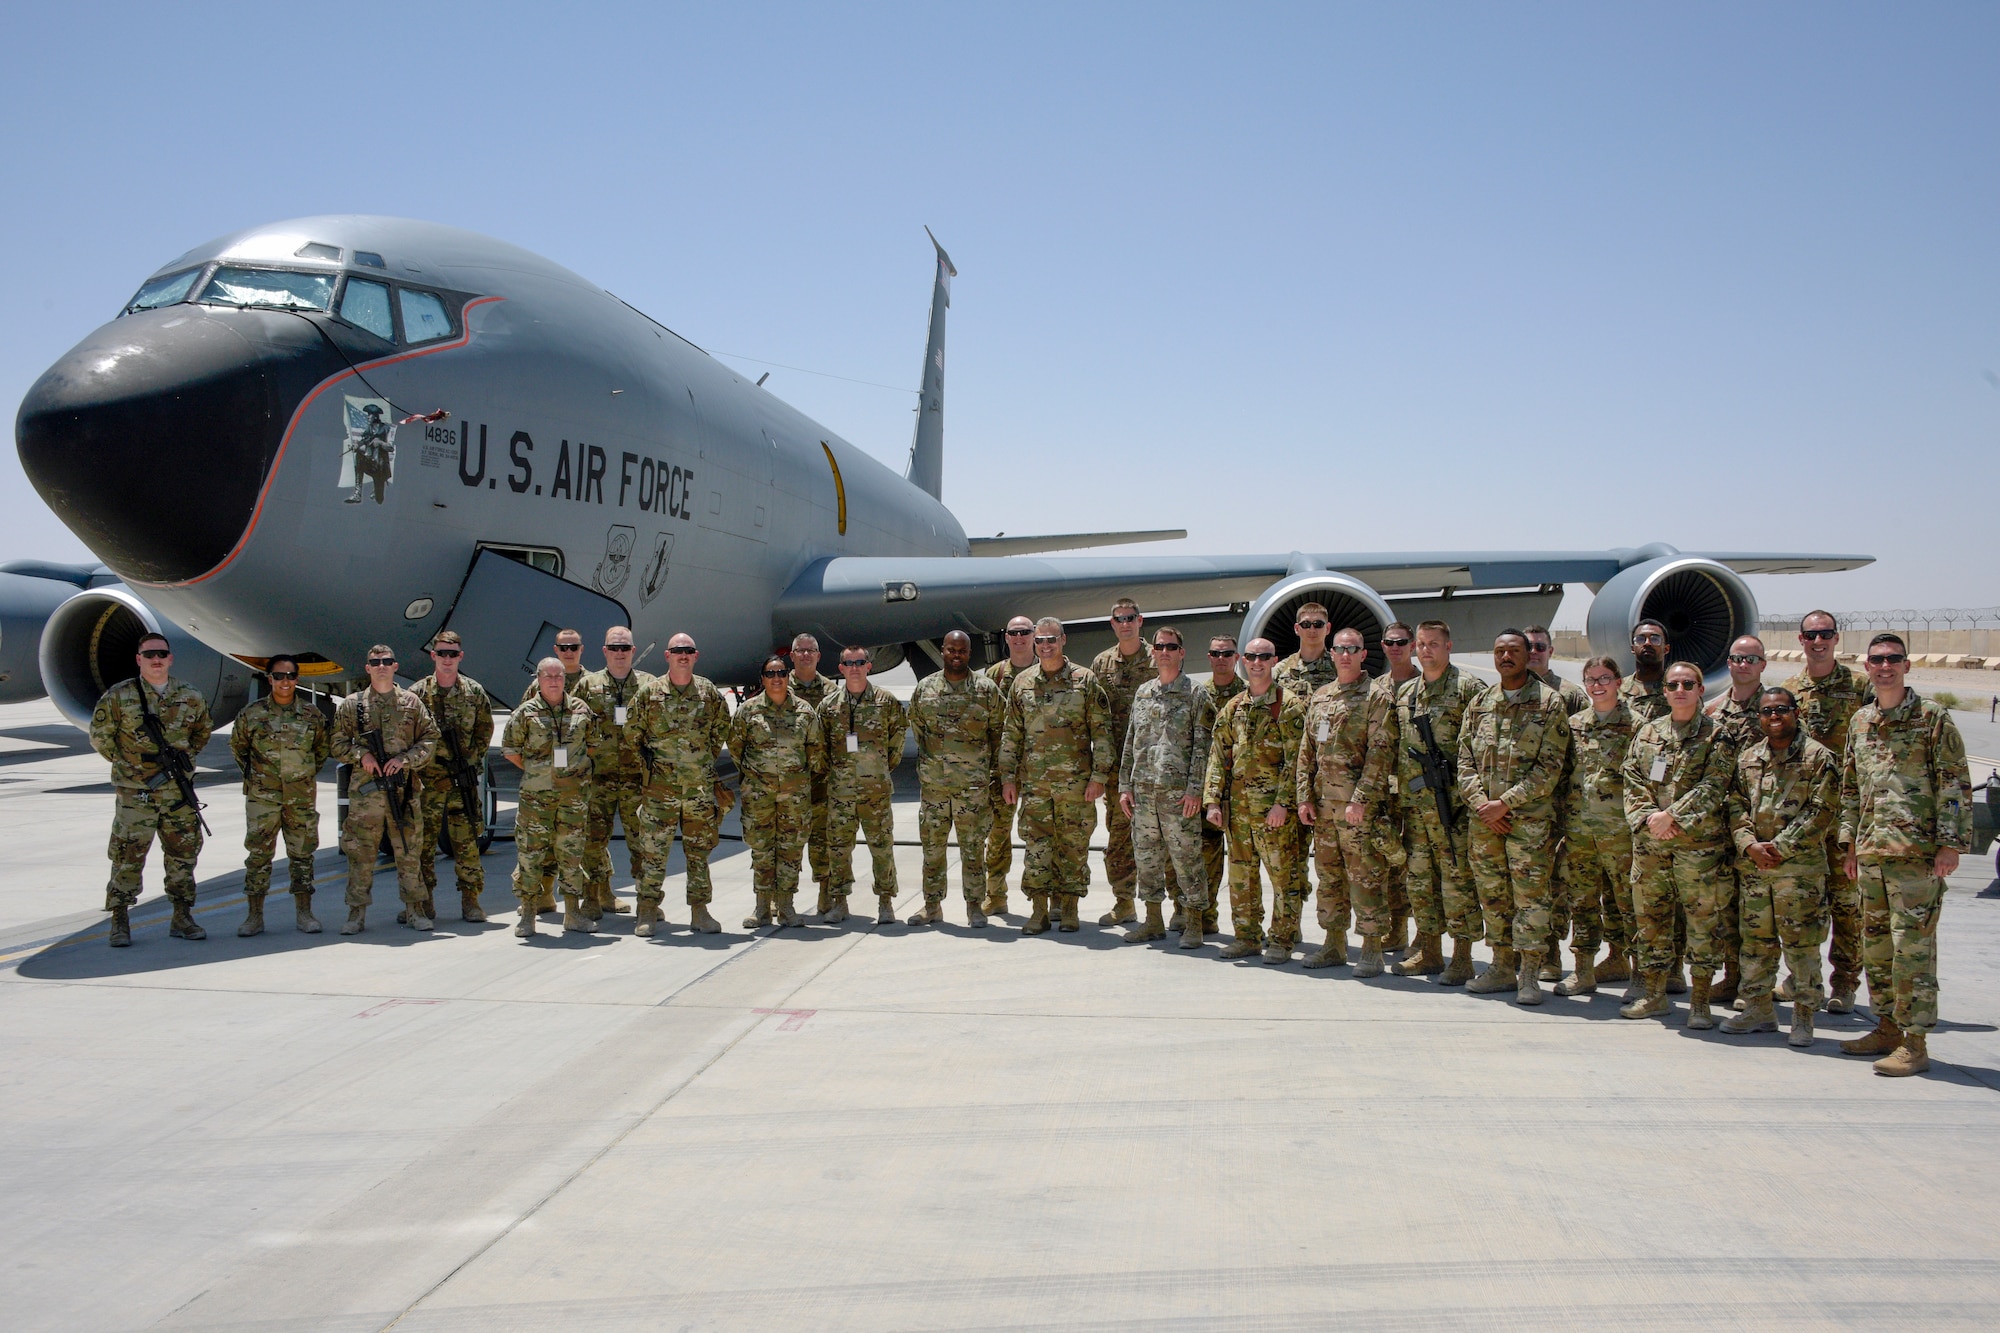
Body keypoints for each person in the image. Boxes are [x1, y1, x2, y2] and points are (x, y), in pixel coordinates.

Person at [1837, 633, 1971, 1077]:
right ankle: (1888, 1027)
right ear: (1868, 667)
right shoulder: (1860, 722)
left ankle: (1916, 1042)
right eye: (1877, 660)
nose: (1885, 666)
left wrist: (1950, 843)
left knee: (1912, 950)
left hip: (1917, 856)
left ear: (1906, 666)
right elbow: (1851, 788)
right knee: (1875, 948)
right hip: (1872, 854)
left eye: (1893, 659)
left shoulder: (1933, 718)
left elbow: (1954, 784)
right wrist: (1849, 843)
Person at [1457, 629, 1573, 1004]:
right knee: (1492, 895)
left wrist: (1504, 803)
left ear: (1528, 655)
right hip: (1485, 822)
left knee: (1531, 898)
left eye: (1514, 651)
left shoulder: (1550, 703)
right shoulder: (1479, 703)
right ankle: (1501, 966)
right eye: (1499, 651)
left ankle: (1529, 974)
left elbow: (1550, 768)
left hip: (1529, 822)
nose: (1506, 657)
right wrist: (1482, 805)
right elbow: (1464, 762)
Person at [1721, 686, 1838, 1047]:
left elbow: (1823, 810)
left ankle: (1804, 1016)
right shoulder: (1748, 758)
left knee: (1801, 945)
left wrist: (1781, 847)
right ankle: (1758, 1009)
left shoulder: (1819, 758)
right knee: (1756, 943)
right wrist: (1749, 844)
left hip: (1799, 872)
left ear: (1796, 712)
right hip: (1756, 869)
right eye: (1767, 711)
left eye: (1781, 710)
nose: (1774, 716)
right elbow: (1735, 805)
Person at [1619, 661, 1735, 1026]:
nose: (1680, 690)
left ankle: (1700, 1000)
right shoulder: (1649, 733)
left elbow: (1714, 786)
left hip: (1698, 848)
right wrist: (1649, 818)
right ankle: (1654, 994)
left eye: (1689, 683)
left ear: (1701, 690)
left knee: (1702, 923)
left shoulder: (1719, 735)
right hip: (1652, 846)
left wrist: (1673, 817)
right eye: (1673, 684)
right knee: (1651, 921)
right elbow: (1632, 777)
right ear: (1665, 691)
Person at [88, 632, 215, 946]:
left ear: (170, 658)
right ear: (139, 659)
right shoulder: (120, 696)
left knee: (183, 856)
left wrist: (184, 761)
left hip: (177, 793)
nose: (156, 659)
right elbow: (100, 737)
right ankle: (119, 920)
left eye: (161, 653)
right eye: (149, 654)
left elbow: (201, 733)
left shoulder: (191, 695)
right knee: (127, 855)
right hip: (136, 794)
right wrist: (129, 767)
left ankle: (182, 917)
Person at [1781, 610, 1873, 1013]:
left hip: (1844, 816)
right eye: (1811, 635)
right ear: (1801, 640)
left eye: (1826, 634)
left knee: (1847, 904)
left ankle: (1845, 982)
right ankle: (1802, 979)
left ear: (1836, 639)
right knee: (1802, 903)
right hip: (1802, 817)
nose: (1818, 641)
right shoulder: (1789, 690)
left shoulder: (1860, 687)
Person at [999, 618, 1114, 934]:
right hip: (1035, 785)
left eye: (1051, 639)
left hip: (1075, 785)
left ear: (1063, 640)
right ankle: (1038, 911)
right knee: (1037, 847)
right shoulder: (1022, 683)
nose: (1045, 645)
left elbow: (1102, 733)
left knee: (1073, 846)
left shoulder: (1084, 680)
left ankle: (1070, 908)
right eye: (1040, 640)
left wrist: (1099, 777)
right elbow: (1011, 734)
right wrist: (1008, 778)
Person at [1203, 638, 1309, 963]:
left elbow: (1297, 761)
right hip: (1239, 812)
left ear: (1273, 660)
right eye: (1251, 657)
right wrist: (1212, 801)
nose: (1257, 662)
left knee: (1283, 879)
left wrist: (1283, 804)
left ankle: (1281, 940)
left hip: (1273, 813)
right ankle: (1247, 937)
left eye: (1264, 656)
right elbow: (1218, 754)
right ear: (1243, 662)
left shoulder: (1288, 706)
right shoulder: (1234, 707)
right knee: (1241, 878)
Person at [1296, 627, 1396, 974]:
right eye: (1339, 649)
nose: (1345, 655)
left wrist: (1361, 799)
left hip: (1358, 810)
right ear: (1332, 653)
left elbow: (1380, 753)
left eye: (1352, 649)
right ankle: (1334, 944)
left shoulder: (1376, 696)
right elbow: (1307, 751)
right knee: (1329, 878)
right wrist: (1303, 798)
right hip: (1324, 808)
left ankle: (1371, 949)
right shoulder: (1322, 696)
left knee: (1366, 877)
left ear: (1363, 654)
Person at [1390, 620, 1483, 982]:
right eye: (1422, 644)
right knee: (1420, 881)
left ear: (1449, 646)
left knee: (1457, 881)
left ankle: (1462, 956)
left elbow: (1479, 746)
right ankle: (1429, 952)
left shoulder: (1468, 689)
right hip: (1415, 807)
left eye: (1434, 644)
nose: (1426, 650)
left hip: (1454, 806)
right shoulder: (1408, 693)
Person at [331, 645, 440, 934]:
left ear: (395, 666)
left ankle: (414, 909)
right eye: (375, 662)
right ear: (367, 668)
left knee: (408, 852)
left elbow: (430, 740)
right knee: (361, 854)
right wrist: (361, 756)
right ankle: (356, 914)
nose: (382, 666)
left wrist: (404, 760)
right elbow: (337, 743)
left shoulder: (411, 702)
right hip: (366, 793)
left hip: (403, 790)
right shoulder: (352, 705)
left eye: (387, 661)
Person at [630, 634, 732, 936]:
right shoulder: (649, 693)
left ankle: (699, 911)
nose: (683, 655)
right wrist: (653, 767)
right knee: (653, 852)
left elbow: (720, 729)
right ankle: (647, 910)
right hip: (659, 789)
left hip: (697, 788)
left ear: (696, 656)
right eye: (677, 651)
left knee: (699, 852)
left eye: (688, 651)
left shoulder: (708, 693)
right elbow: (633, 734)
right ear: (667, 655)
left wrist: (699, 761)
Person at [1116, 627, 1210, 948]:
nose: (1165, 652)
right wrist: (1124, 786)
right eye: (1160, 646)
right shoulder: (1143, 693)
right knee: (1147, 858)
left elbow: (1202, 747)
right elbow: (1131, 743)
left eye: (1172, 647)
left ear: (1182, 653)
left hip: (1179, 795)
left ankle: (1194, 921)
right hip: (1144, 795)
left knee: (1187, 859)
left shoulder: (1196, 695)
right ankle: (1153, 920)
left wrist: (1195, 789)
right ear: (1153, 652)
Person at [229, 654, 332, 936]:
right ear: (269, 678)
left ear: (297, 679)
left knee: (302, 855)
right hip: (263, 799)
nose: (284, 682)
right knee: (258, 856)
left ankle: (304, 913)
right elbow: (239, 749)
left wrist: (301, 776)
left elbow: (321, 752)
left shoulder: (312, 716)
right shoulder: (252, 714)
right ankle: (254, 916)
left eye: (290, 676)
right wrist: (261, 779)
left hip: (300, 798)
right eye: (278, 676)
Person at [908, 630, 1003, 928]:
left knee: (973, 850)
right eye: (951, 650)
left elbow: (1000, 733)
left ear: (969, 652)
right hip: (935, 789)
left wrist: (993, 775)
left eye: (962, 650)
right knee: (932, 850)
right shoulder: (925, 689)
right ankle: (932, 906)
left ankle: (974, 906)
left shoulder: (986, 690)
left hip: (972, 789)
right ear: (943, 651)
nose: (956, 655)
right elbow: (918, 730)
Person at [1560, 656, 1639, 998]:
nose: (1597, 685)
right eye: (1590, 679)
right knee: (1583, 901)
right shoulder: (1575, 724)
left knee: (1629, 904)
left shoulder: (1638, 726)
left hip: (1621, 834)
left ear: (1619, 682)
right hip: (1580, 832)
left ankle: (1637, 973)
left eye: (1604, 678)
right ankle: (1583, 970)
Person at [728, 655, 827, 929]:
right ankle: (762, 909)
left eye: (781, 673)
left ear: (787, 676)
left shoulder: (805, 712)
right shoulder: (748, 712)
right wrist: (757, 777)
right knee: (761, 850)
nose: (776, 678)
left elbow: (815, 750)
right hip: (759, 796)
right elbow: (736, 748)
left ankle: (786, 907)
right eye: (771, 673)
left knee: (791, 851)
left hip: (794, 797)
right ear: (762, 679)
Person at [502, 658, 598, 935]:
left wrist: (568, 772)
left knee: (571, 854)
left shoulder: (581, 709)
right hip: (536, 798)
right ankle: (528, 915)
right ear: (539, 679)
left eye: (559, 676)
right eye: (548, 676)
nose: (555, 680)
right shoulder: (526, 713)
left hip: (572, 797)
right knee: (531, 854)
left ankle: (572, 913)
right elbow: (510, 750)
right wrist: (538, 771)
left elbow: (591, 746)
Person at [1702, 634, 1770, 1007]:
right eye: (1737, 659)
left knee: (1758, 912)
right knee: (1726, 908)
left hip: (1761, 824)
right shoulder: (1714, 712)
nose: (1743, 665)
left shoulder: (1776, 710)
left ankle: (1755, 987)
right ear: (1728, 664)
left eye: (1751, 659)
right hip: (1721, 824)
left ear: (1763, 664)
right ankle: (1731, 977)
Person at [820, 646, 908, 925]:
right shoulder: (829, 706)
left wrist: (879, 769)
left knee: (882, 847)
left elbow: (897, 743)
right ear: (841, 668)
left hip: (876, 791)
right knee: (839, 848)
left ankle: (885, 902)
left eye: (860, 662)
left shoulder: (886, 701)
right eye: (849, 663)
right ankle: (839, 901)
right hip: (841, 791)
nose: (855, 667)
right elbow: (821, 749)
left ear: (869, 666)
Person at [410, 632, 494, 926]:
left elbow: (485, 730)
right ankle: (424, 902)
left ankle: (471, 901)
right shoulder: (418, 694)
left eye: (453, 654)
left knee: (468, 842)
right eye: (442, 653)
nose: (448, 659)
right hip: (429, 781)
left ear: (461, 656)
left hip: (462, 781)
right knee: (423, 845)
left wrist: (470, 762)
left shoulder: (474, 692)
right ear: (433, 656)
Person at [575, 627, 655, 918]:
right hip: (599, 780)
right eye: (614, 647)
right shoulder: (588, 685)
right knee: (592, 842)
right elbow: (573, 724)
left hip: (638, 781)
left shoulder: (649, 685)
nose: (619, 653)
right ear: (604, 651)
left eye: (625, 648)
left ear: (633, 651)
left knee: (643, 844)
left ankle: (647, 902)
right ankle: (593, 898)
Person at [1090, 599, 1158, 926]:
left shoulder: (1159, 659)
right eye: (1119, 619)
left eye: (1130, 618)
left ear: (1140, 620)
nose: (1125, 623)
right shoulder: (1102, 664)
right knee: (1119, 839)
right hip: (1119, 771)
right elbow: (1096, 718)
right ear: (1113, 623)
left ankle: (1169, 910)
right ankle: (1124, 902)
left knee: (1161, 838)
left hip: (1155, 769)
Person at [517, 628, 587, 913]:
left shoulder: (590, 684)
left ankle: (595, 897)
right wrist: (537, 769)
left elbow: (592, 734)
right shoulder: (536, 688)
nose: (568, 651)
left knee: (578, 843)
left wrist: (577, 766)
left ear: (581, 649)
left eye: (574, 646)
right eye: (563, 646)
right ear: (556, 649)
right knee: (538, 844)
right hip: (542, 786)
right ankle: (542, 897)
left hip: (576, 782)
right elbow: (516, 739)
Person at [981, 616, 1038, 913]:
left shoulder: (1046, 669)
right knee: (998, 832)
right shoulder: (995, 674)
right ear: (1006, 637)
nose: (1019, 638)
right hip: (1003, 768)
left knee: (1037, 833)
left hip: (1039, 768)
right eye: (1014, 633)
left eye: (1025, 633)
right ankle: (996, 894)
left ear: (1034, 636)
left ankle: (1040, 895)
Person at [1193, 636, 1245, 936]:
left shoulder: (1248, 693)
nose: (1221, 658)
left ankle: (1249, 925)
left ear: (1236, 657)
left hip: (1240, 790)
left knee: (1244, 861)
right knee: (1206, 855)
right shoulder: (1200, 695)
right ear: (1209, 657)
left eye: (1227, 653)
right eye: (1215, 653)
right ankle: (1206, 915)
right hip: (1207, 789)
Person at [1373, 622, 1419, 953]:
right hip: (1386, 790)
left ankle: (1426, 935)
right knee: (1391, 861)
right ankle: (1397, 928)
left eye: (1401, 642)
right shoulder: (1377, 688)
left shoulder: (1425, 683)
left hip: (1420, 792)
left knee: (1420, 864)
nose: (1395, 647)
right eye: (1389, 642)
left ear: (1412, 645)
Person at [786, 634, 836, 912]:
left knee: (821, 838)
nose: (805, 655)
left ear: (818, 656)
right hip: (789, 780)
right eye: (800, 651)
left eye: (811, 651)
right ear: (791, 656)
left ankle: (825, 891)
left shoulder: (831, 692)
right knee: (786, 841)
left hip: (820, 779)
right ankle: (779, 897)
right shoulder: (778, 686)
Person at [1273, 603, 1338, 696]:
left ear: (1327, 628)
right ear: (1296, 628)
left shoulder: (1338, 668)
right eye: (1305, 624)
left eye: (1318, 624)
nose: (1312, 630)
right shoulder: (1281, 670)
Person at [1619, 620, 1673, 722]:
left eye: (1655, 639)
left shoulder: (1678, 690)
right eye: (1640, 639)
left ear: (1666, 649)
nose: (1647, 643)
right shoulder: (1617, 690)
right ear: (1632, 648)